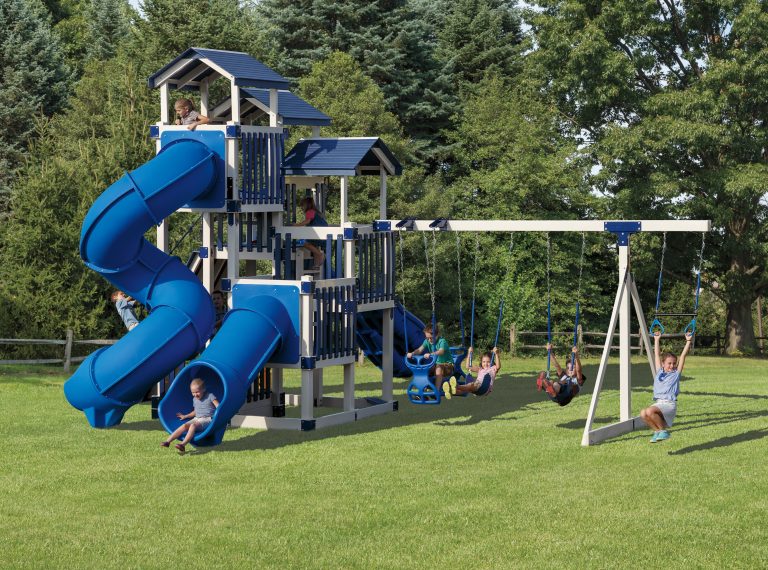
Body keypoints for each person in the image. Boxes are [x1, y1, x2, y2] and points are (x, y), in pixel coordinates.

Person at [640, 331, 692, 443]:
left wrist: (688, 341)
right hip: (659, 403)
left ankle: (663, 431)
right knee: (643, 413)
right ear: (663, 363)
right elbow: (657, 355)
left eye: (674, 363)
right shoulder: (659, 372)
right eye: (669, 363)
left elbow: (683, 356)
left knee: (649, 411)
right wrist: (656, 340)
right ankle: (657, 432)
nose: (672, 366)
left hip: (669, 404)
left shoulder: (675, 374)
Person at [160, 378, 219, 455]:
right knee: (184, 425)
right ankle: (168, 442)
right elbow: (195, 412)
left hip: (207, 419)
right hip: (196, 418)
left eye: (197, 392)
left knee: (193, 426)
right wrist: (185, 416)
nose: (195, 394)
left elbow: (219, 407)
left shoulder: (210, 396)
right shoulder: (195, 399)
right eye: (193, 392)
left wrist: (218, 416)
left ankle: (183, 445)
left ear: (203, 389)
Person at [407, 324, 453, 394]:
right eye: (427, 338)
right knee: (425, 369)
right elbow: (419, 350)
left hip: (448, 366)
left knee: (438, 368)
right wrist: (412, 353)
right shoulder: (427, 341)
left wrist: (431, 354)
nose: (429, 340)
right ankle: (422, 390)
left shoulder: (442, 341)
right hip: (437, 365)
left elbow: (441, 351)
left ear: (437, 335)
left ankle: (436, 391)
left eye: (431, 338)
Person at [292, 196, 327, 269]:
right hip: (323, 236)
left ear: (306, 205)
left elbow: (307, 221)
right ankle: (317, 264)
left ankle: (320, 254)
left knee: (304, 243)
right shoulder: (317, 213)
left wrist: (297, 225)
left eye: (302, 205)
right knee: (314, 248)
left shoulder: (310, 211)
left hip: (318, 235)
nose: (302, 208)